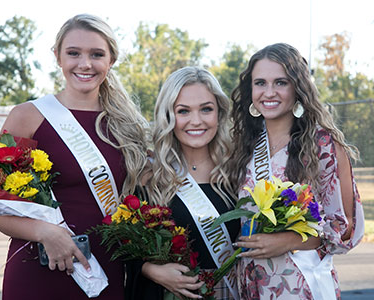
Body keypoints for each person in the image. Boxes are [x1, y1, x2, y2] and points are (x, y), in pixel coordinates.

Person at [0, 14, 148, 300]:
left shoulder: (128, 126)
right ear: (57, 56)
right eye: (73, 53)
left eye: (97, 54)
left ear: (111, 60)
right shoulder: (27, 117)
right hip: (39, 269)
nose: (84, 64)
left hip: (105, 271)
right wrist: (45, 233)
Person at [228, 43, 365, 300]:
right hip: (250, 284)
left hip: (298, 284)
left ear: (297, 88)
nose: (269, 92)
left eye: (281, 82)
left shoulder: (322, 146)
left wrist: (288, 241)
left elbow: (344, 228)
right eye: (260, 83)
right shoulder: (243, 146)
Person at [128, 66, 240, 300]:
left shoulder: (238, 172)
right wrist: (151, 270)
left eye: (206, 109)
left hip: (232, 292)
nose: (196, 121)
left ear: (219, 113)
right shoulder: (148, 175)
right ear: (168, 115)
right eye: (183, 111)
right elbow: (125, 250)